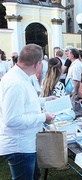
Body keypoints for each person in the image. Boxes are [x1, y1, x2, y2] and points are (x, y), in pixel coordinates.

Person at [0, 44, 56, 180]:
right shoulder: (16, 83)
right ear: (37, 64)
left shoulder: (21, 76)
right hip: (20, 146)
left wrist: (45, 100)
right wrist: (43, 117)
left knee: (35, 175)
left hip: (26, 143)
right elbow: (12, 119)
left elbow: (25, 103)